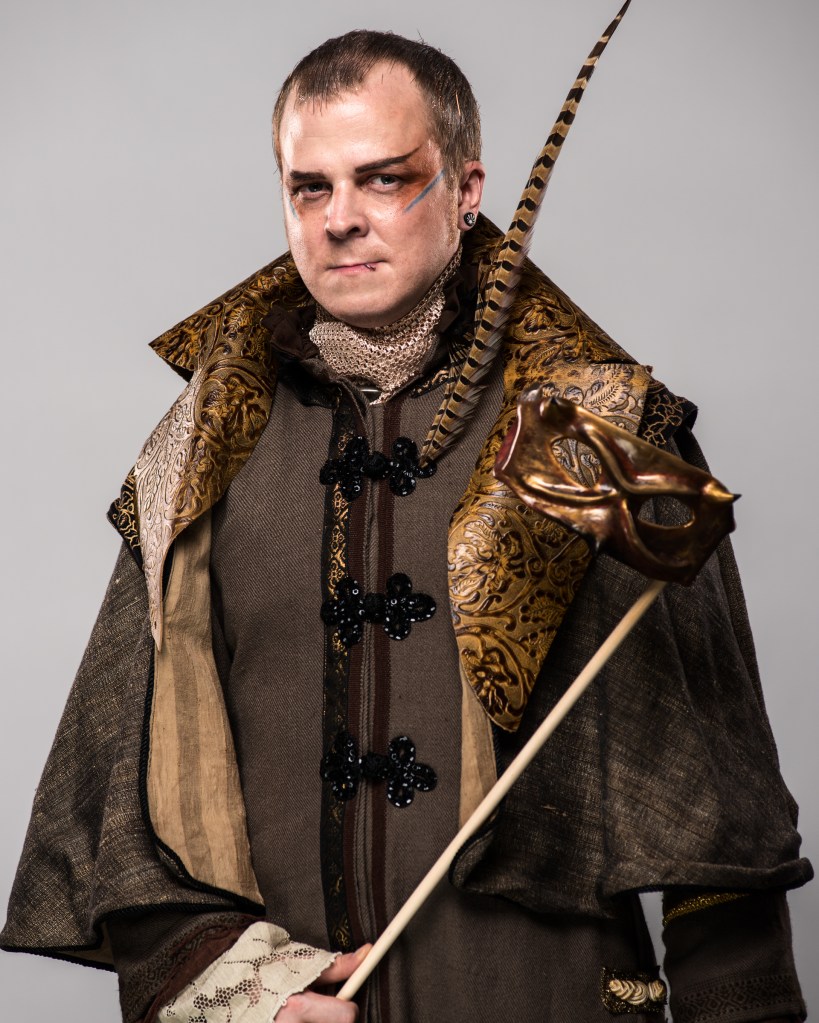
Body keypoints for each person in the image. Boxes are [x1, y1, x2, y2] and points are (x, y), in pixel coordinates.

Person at [1, 26, 811, 1023]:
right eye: (310, 187)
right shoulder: (206, 442)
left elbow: (716, 810)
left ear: (467, 189)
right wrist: (244, 994)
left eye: (384, 180)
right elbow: (123, 792)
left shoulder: (590, 433)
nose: (341, 219)